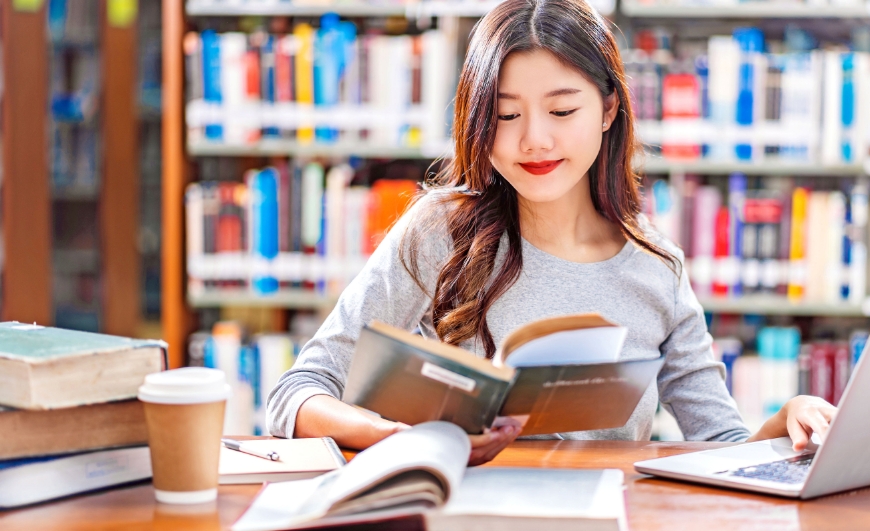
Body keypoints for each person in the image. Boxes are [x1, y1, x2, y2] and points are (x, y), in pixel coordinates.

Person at [267, 0, 836, 466]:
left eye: (562, 112)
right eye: (506, 116)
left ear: (609, 109)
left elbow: (721, 449)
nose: (534, 141)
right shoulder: (438, 231)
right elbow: (297, 394)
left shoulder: (656, 267)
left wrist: (787, 422)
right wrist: (388, 436)